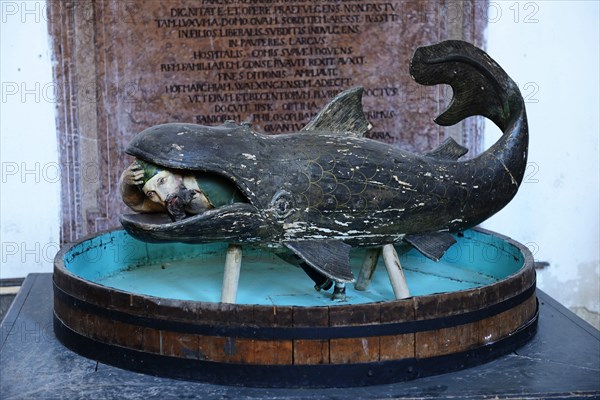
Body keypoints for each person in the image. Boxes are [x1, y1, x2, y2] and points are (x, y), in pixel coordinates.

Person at [119, 159, 245, 221]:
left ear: (177, 173)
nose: (162, 197)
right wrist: (126, 182)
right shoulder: (173, 200)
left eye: (162, 181)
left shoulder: (210, 185)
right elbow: (137, 204)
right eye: (151, 194)